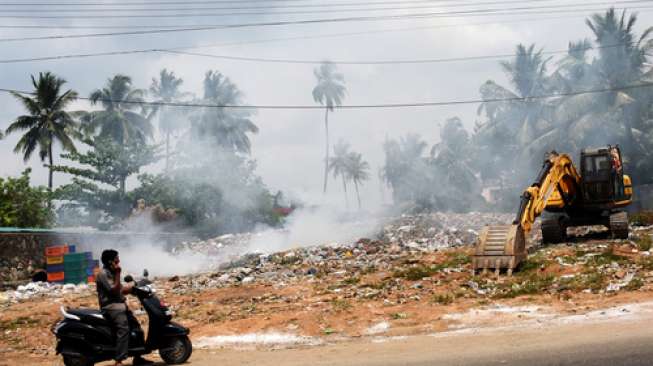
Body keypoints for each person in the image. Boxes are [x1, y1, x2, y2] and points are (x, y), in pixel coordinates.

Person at [96, 249, 153, 366]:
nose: (119, 260)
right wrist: (118, 273)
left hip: (120, 305)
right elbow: (114, 290)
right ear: (110, 261)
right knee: (124, 329)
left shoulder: (111, 272)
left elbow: (121, 289)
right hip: (111, 306)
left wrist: (135, 287)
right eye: (117, 259)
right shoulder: (103, 274)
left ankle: (138, 357)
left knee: (136, 328)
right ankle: (119, 360)